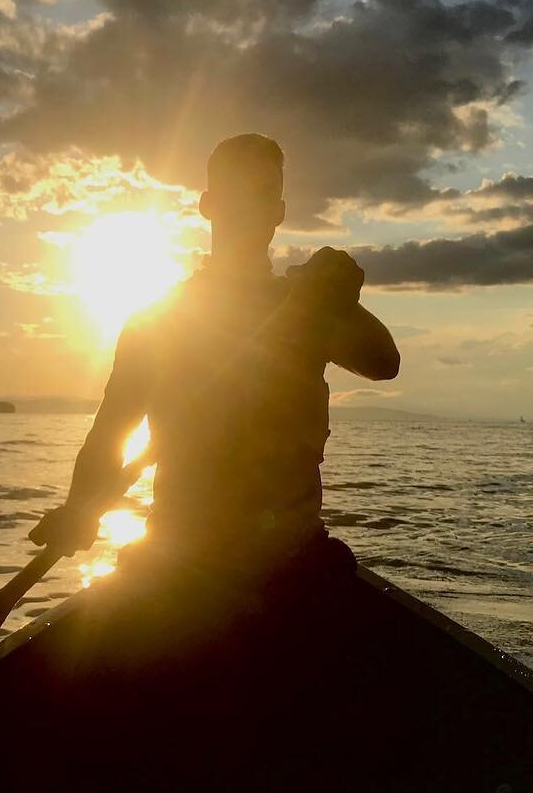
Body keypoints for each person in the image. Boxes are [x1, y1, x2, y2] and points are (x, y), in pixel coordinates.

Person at [29, 134, 399, 576]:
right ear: (208, 204)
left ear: (278, 212)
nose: (249, 206)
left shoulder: (310, 309)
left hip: (292, 557)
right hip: (180, 556)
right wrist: (80, 508)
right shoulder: (158, 320)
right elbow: (111, 429)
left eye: (263, 193)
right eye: (236, 191)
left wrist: (343, 302)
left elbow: (384, 364)